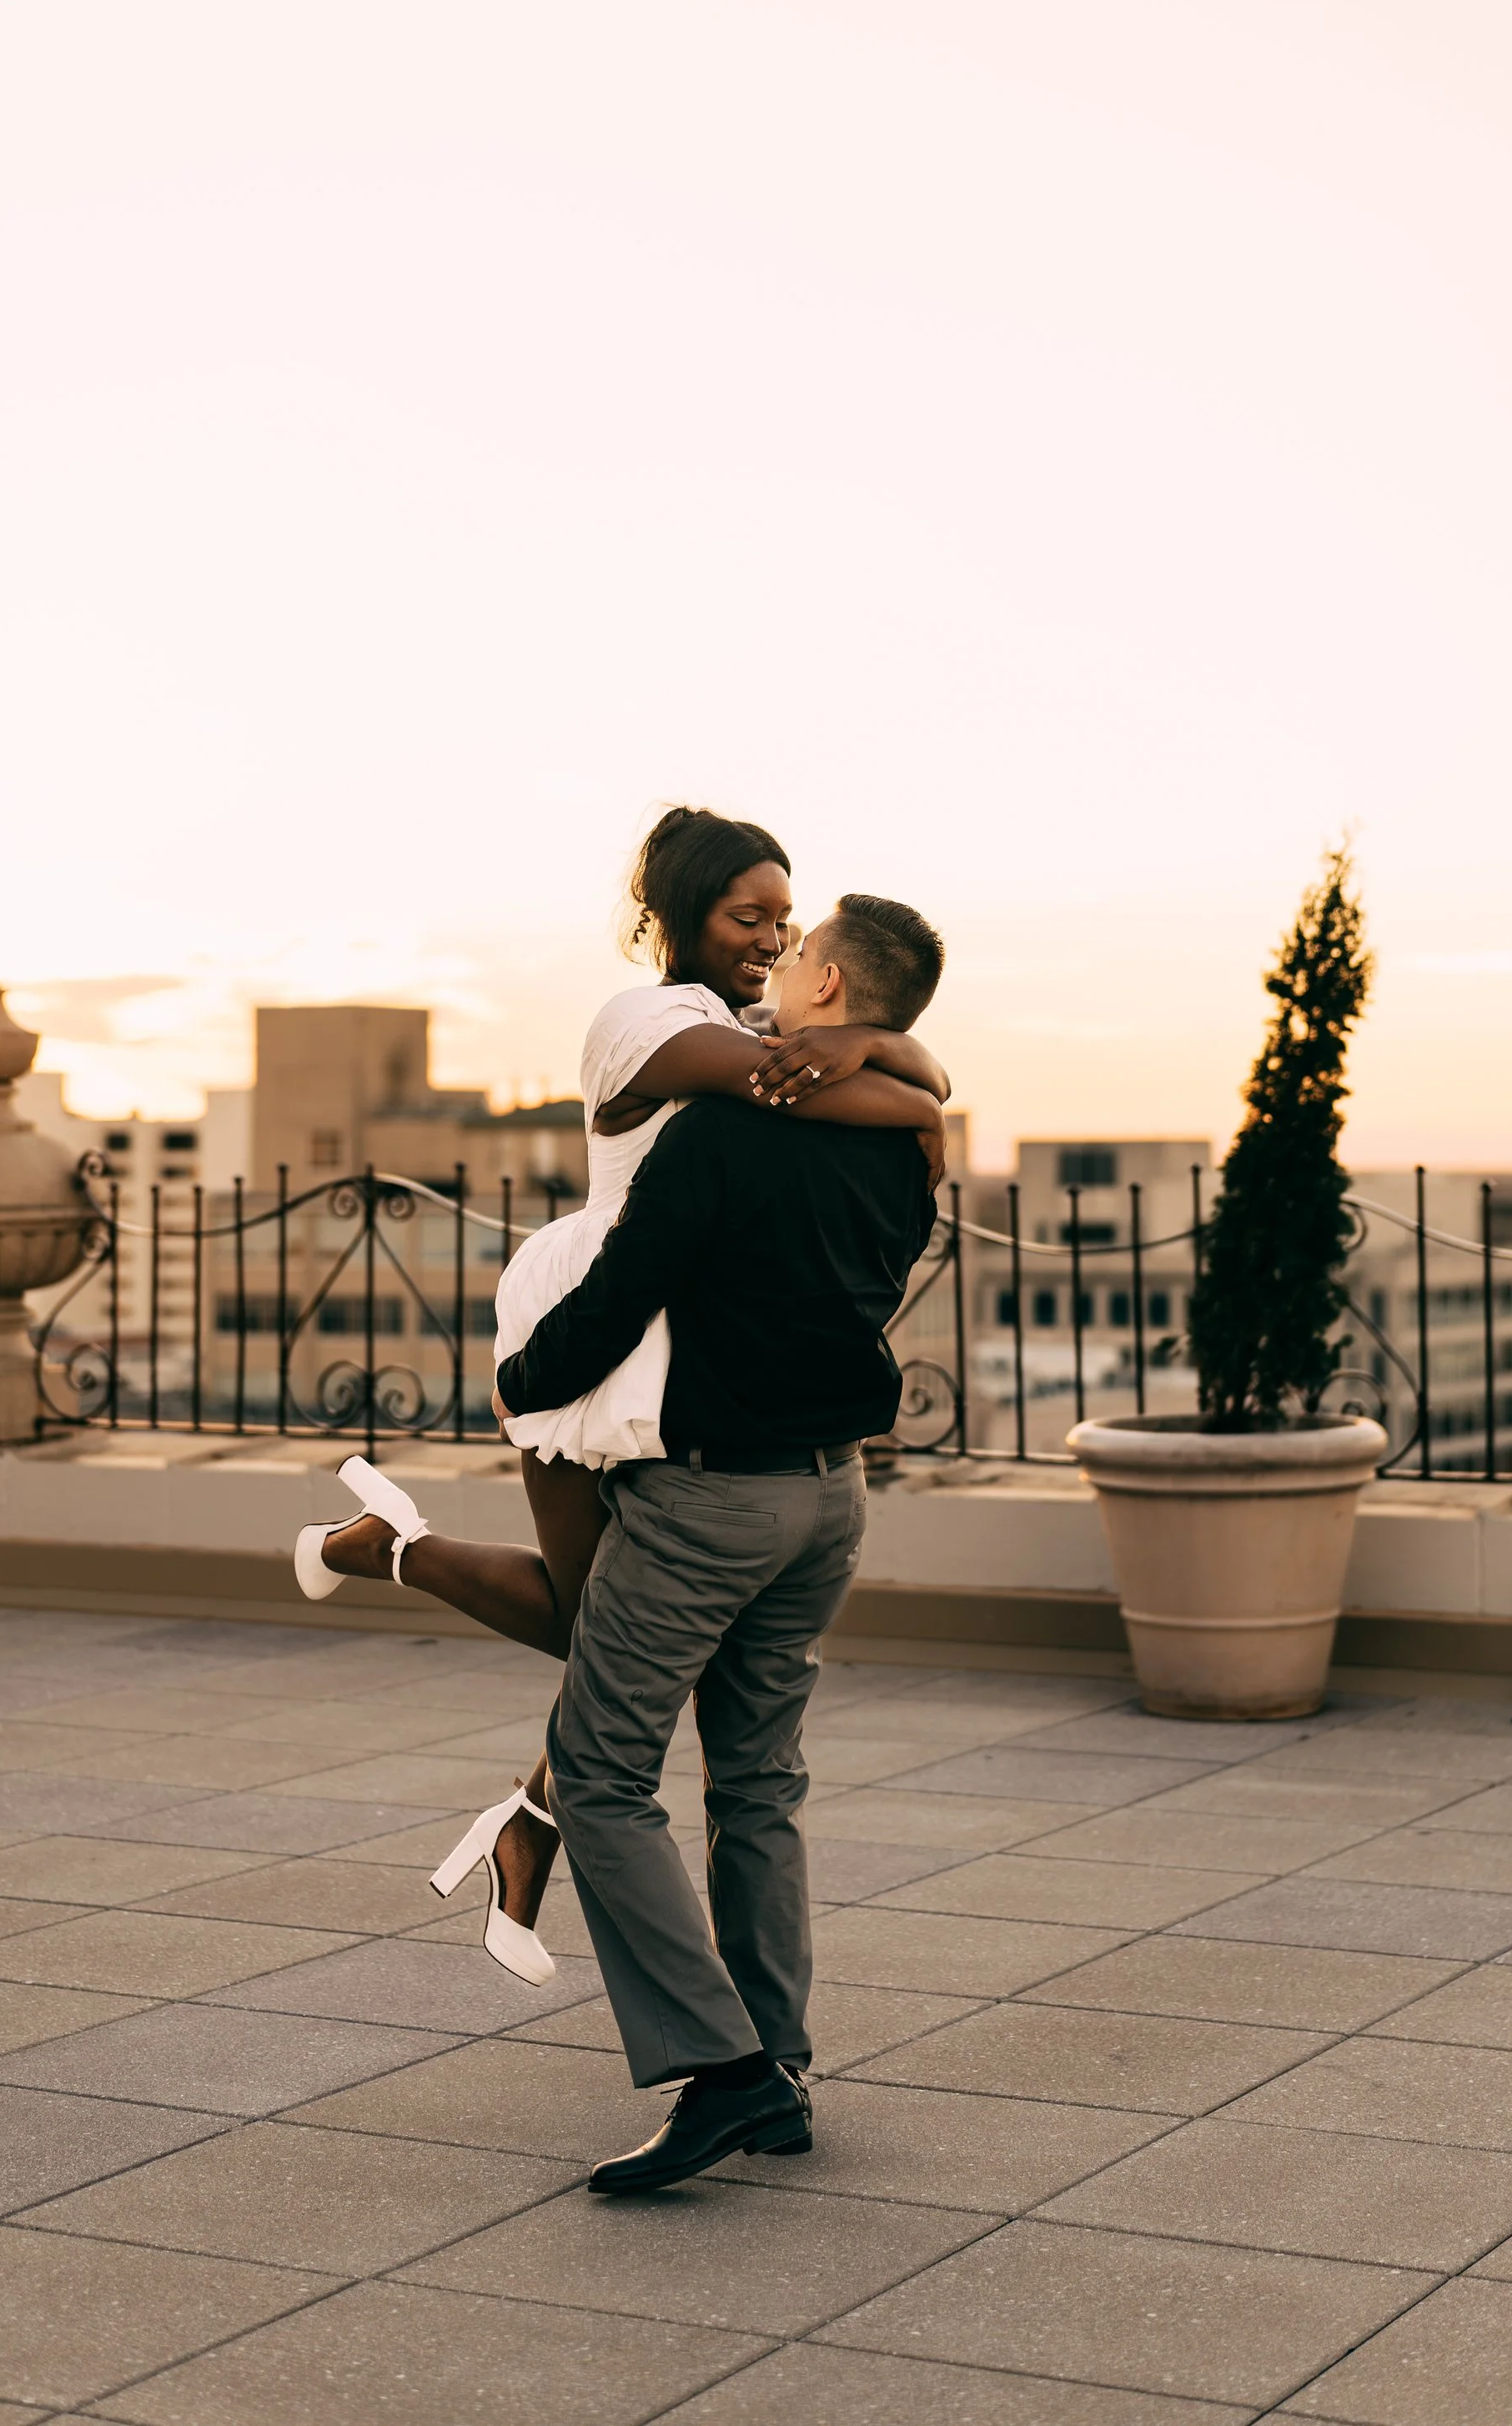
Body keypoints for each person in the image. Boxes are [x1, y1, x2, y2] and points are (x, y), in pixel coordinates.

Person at [288, 810, 947, 1975]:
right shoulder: (645, 1022)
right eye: (749, 915)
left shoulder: (758, 1017)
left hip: (675, 1341)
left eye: (785, 922)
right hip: (591, 1320)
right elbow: (821, 1090)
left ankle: (519, 1798)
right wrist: (882, 1062)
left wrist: (880, 1052)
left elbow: (903, 1081)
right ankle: (409, 1573)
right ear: (679, 911)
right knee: (604, 1633)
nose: (770, 937)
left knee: (620, 1642)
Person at [495, 892, 947, 2190]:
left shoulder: (718, 1137)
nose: (779, 961)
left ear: (827, 992)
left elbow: (617, 1294)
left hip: (710, 1503)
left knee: (597, 1770)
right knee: (757, 1781)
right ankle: (782, 2067)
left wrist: (523, 1380)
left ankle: (726, 2070)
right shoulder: (912, 1144)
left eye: (800, 952)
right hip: (830, 1499)